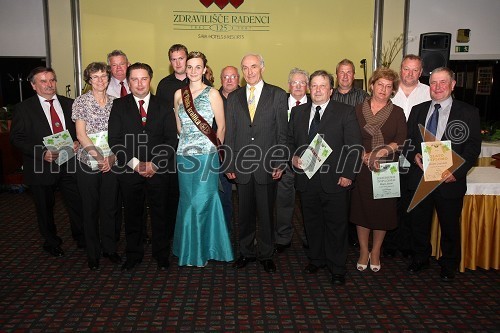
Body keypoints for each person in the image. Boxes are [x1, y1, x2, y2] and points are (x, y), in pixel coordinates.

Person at [406, 67, 481, 281]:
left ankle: (449, 264)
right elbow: (409, 141)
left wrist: (456, 171)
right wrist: (414, 157)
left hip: (449, 180)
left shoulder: (468, 112)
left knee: (449, 225)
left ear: (452, 84)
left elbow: (473, 148)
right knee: (418, 223)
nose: (437, 87)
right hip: (421, 177)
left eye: (442, 83)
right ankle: (420, 258)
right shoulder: (418, 110)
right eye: (433, 83)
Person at [288, 70, 362, 285]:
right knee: (311, 223)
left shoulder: (345, 112)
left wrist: (348, 174)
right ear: (309, 89)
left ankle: (337, 267)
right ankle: (316, 259)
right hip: (307, 179)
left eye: (323, 86)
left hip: (336, 180)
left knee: (336, 226)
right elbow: (290, 141)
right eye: (315, 86)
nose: (318, 90)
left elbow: (354, 146)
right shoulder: (299, 113)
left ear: (331, 90)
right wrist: (292, 157)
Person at [108, 62, 178, 271]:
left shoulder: (164, 105)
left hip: (159, 170)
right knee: (133, 215)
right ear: (128, 82)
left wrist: (155, 164)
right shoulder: (119, 106)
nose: (139, 84)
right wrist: (136, 164)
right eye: (135, 79)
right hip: (130, 172)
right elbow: (115, 140)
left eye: (144, 78)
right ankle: (134, 254)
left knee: (161, 214)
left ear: (150, 80)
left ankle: (161, 254)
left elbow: (170, 140)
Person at [10, 67, 84, 256]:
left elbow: (80, 130)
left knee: (77, 204)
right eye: (43, 81)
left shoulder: (70, 104)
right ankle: (51, 242)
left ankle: (81, 237)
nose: (49, 84)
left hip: (70, 163)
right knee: (44, 208)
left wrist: (78, 141)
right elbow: (17, 138)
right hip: (41, 165)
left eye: (52, 80)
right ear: (33, 85)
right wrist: (42, 152)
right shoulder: (24, 108)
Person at [225, 53, 288, 274]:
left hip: (267, 166)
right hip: (241, 166)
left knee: (266, 213)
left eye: (253, 66)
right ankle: (245, 252)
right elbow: (230, 134)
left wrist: (280, 162)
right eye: (245, 68)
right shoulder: (234, 98)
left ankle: (266, 253)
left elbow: (282, 133)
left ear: (262, 67)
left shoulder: (278, 95)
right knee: (244, 214)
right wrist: (229, 163)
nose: (249, 72)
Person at [172, 51, 233, 267]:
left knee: (203, 202)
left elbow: (222, 127)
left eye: (198, 67)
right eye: (190, 66)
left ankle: (203, 250)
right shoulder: (179, 94)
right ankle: (189, 248)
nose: (194, 71)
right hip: (183, 156)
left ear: (205, 69)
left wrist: (216, 152)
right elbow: (179, 128)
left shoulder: (213, 94)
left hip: (207, 156)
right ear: (184, 69)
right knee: (188, 202)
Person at [350, 67, 407, 273]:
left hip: (385, 168)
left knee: (382, 212)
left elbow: (400, 141)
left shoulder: (397, 112)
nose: (383, 89)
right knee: (362, 211)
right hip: (362, 166)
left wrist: (379, 153)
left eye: (388, 86)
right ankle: (364, 250)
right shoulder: (357, 110)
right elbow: (350, 137)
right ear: (371, 85)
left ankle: (376, 251)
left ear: (392, 90)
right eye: (380, 84)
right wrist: (363, 154)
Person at [71, 62, 121, 270]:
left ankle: (110, 248)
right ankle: (93, 252)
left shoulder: (117, 103)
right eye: (95, 77)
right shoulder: (81, 102)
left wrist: (112, 158)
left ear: (108, 78)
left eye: (103, 76)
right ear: (88, 80)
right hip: (88, 162)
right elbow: (81, 135)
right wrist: (99, 157)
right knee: (90, 208)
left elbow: (121, 134)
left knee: (110, 207)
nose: (100, 80)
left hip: (112, 162)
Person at [383, 54, 431, 258]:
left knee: (413, 202)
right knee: (389, 200)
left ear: (420, 72)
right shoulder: (389, 91)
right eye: (406, 69)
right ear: (400, 69)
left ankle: (410, 245)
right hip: (390, 154)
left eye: (415, 70)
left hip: (417, 156)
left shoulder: (430, 92)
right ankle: (390, 244)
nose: (410, 73)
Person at [331, 59, 369, 248]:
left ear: (354, 75)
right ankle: (337, 235)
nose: (345, 76)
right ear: (336, 75)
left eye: (349, 72)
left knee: (355, 198)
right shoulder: (329, 96)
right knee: (335, 199)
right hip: (334, 155)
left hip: (356, 153)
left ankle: (353, 237)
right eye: (341, 72)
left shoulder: (364, 97)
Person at [274, 67, 311, 254]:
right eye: (294, 83)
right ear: (288, 85)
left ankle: (309, 236)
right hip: (284, 163)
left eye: (302, 82)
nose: (297, 86)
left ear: (308, 86)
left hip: (309, 163)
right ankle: (282, 237)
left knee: (308, 203)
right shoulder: (278, 103)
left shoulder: (315, 104)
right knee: (283, 202)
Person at [215, 65, 241, 230]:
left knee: (247, 200)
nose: (229, 80)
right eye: (226, 77)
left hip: (245, 155)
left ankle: (248, 234)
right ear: (221, 79)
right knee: (223, 196)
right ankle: (224, 232)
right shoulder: (212, 98)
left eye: (233, 76)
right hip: (220, 156)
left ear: (239, 78)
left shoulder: (248, 98)